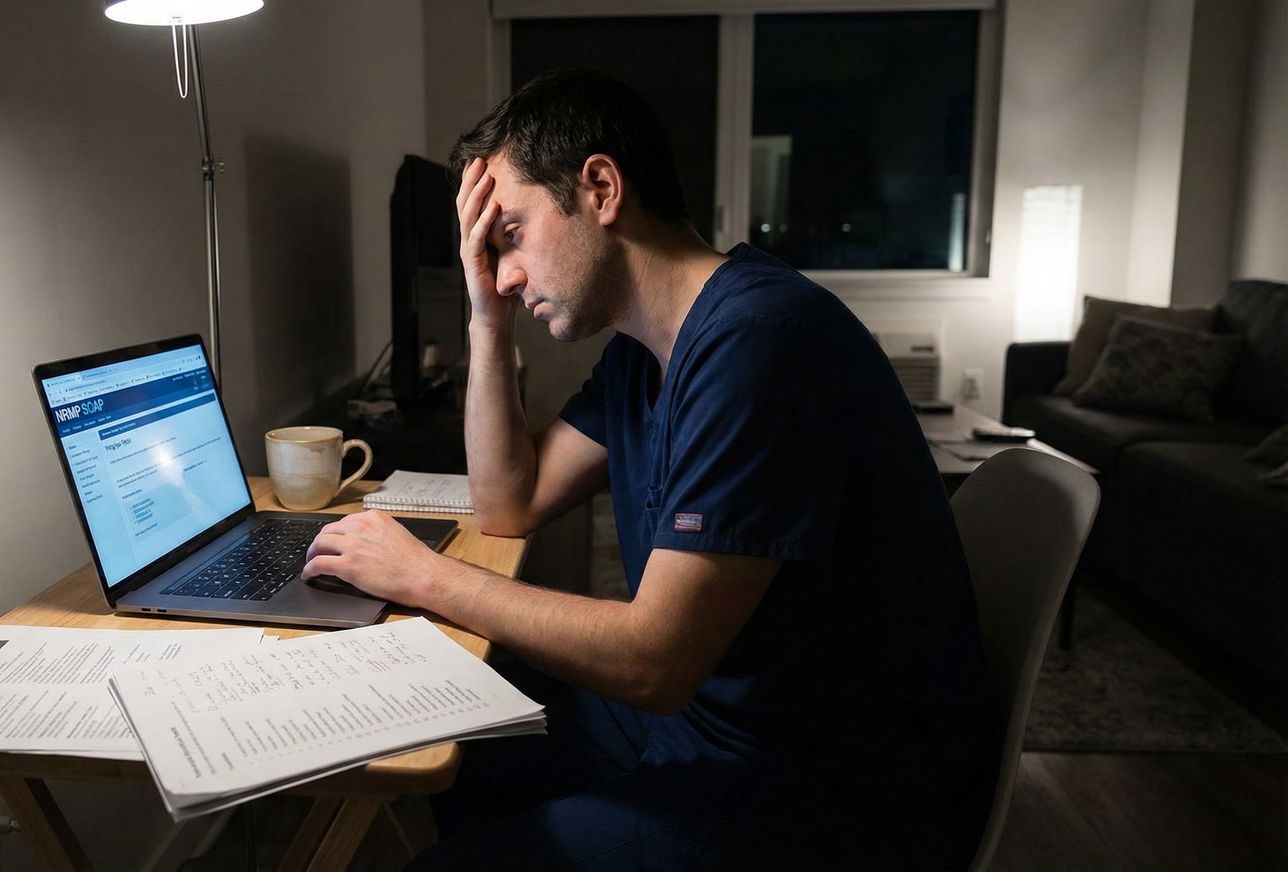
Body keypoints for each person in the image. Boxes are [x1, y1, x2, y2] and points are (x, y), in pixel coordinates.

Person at [302, 68, 996, 870]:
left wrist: (421, 576)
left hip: (835, 790)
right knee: (461, 729)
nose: (506, 272)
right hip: (720, 722)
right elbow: (507, 504)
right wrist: (486, 319)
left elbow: (653, 661)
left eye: (514, 235)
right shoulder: (645, 352)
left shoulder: (762, 340)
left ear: (600, 188)